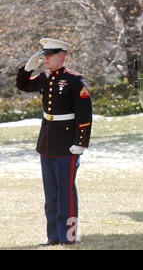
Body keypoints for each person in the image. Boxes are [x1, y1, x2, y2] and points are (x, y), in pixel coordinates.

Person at [16, 38, 92, 246]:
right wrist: (26, 68)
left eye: (50, 55)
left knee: (66, 195)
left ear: (62, 56)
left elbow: (85, 114)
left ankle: (68, 238)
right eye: (44, 55)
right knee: (50, 197)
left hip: (67, 145)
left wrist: (80, 143)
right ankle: (53, 238)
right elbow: (22, 85)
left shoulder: (75, 81)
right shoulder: (44, 77)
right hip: (47, 143)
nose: (45, 59)